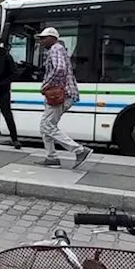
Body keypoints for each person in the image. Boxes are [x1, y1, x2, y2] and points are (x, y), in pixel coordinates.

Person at [37, 27, 91, 168]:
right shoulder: (58, 49)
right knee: (46, 126)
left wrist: (46, 85)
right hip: (63, 94)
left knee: (47, 126)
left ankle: (79, 150)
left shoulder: (55, 48)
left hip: (60, 95)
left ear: (53, 38)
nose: (41, 41)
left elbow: (59, 69)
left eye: (44, 38)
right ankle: (51, 157)